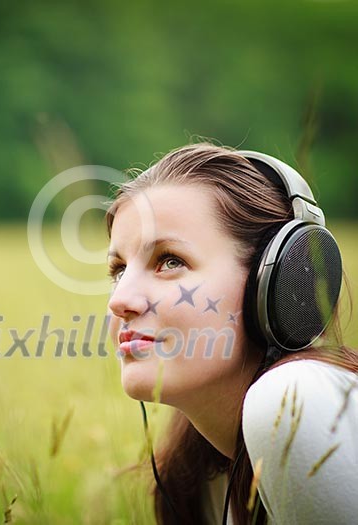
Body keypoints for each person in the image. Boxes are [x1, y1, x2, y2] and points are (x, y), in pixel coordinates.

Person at [104, 143, 358, 525]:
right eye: (119, 270)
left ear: (281, 284)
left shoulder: (292, 399)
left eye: (170, 261)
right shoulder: (197, 471)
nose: (119, 300)